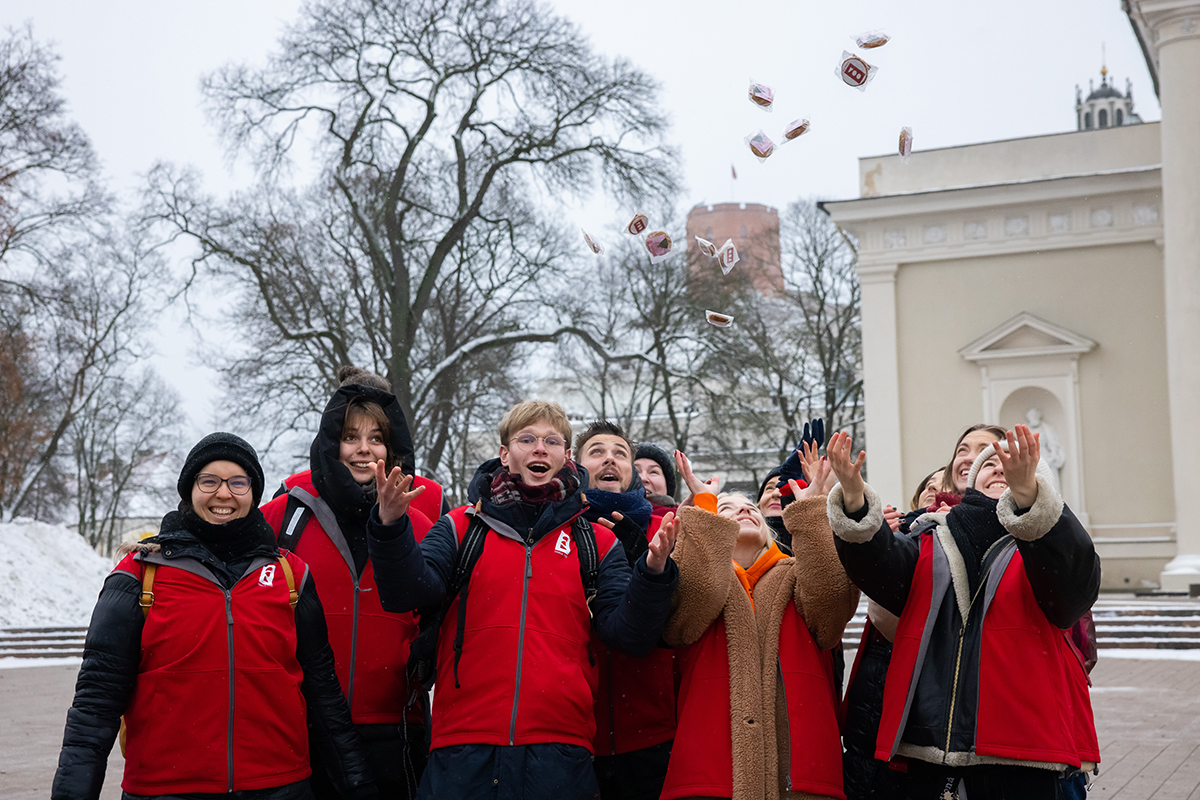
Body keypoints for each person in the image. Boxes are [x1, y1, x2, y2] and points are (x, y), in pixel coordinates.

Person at [365, 400, 680, 800]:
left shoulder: (595, 541)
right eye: (526, 439)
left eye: (551, 441)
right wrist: (390, 525)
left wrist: (652, 573)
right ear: (504, 453)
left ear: (566, 457)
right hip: (462, 747)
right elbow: (408, 593)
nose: (539, 448)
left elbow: (627, 634)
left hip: (560, 752)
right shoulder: (461, 526)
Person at [52, 433, 375, 800]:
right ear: (190, 489)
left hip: (279, 787)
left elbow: (323, 693)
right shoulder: (139, 575)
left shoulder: (291, 575)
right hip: (165, 789)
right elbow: (95, 703)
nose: (223, 494)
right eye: (209, 481)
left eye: (238, 482)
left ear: (254, 492)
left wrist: (357, 784)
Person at [826, 426, 1100, 799]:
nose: (998, 468)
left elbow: (1074, 590)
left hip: (1027, 749)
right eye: (989, 464)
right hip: (930, 745)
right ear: (969, 481)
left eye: (1009, 463)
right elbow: (881, 571)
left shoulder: (1051, 541)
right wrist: (855, 500)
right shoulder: (929, 535)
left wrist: (1028, 500)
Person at [261, 366, 442, 799]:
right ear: (330, 437)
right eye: (349, 436)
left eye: (376, 438)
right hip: (302, 721)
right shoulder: (285, 512)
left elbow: (448, 597)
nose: (363, 450)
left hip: (397, 722)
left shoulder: (426, 511)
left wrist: (425, 650)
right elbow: (224, 560)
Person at [659, 453, 858, 800]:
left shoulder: (799, 575)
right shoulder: (695, 575)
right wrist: (704, 506)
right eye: (727, 509)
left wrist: (811, 513)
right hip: (711, 775)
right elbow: (686, 617)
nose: (744, 510)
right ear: (713, 529)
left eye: (750, 507)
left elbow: (830, 615)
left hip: (802, 774)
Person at [576, 422, 678, 800]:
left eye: (620, 453)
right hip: (575, 731)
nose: (609, 459)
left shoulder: (665, 527)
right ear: (576, 465)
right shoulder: (559, 528)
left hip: (654, 728)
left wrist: (649, 569)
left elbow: (687, 615)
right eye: (597, 451)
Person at [635, 442, 678, 515]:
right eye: (635, 471)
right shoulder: (609, 519)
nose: (643, 478)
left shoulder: (688, 521)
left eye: (653, 472)